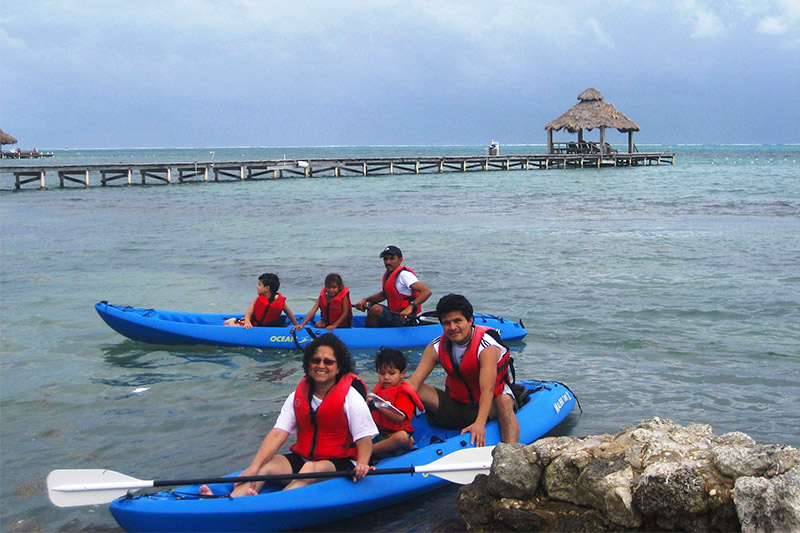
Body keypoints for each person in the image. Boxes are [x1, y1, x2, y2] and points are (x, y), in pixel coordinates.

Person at [199, 333, 378, 497]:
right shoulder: (297, 396)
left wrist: (362, 464)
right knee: (265, 466)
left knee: (309, 469)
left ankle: (269, 504)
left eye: (328, 362)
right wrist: (253, 467)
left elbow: (364, 438)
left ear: (339, 367)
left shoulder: (351, 397)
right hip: (304, 459)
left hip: (341, 462)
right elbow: (278, 433)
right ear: (308, 364)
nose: (321, 366)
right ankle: (230, 500)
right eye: (315, 360)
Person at [406, 294, 520, 447]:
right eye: (447, 323)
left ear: (470, 320)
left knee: (504, 399)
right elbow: (413, 383)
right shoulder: (437, 346)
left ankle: (511, 450)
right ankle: (397, 432)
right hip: (457, 405)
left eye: (457, 321)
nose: (452, 327)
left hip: (488, 406)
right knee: (414, 389)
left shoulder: (486, 346)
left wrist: (479, 424)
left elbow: (488, 389)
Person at [355, 245, 431, 328]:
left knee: (376, 309)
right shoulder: (389, 274)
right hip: (395, 314)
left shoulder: (404, 275)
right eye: (385, 259)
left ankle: (368, 336)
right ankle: (374, 332)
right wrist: (365, 300)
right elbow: (384, 295)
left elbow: (426, 292)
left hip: (406, 319)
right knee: (370, 305)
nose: (388, 262)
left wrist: (410, 307)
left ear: (400, 260)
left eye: (392, 258)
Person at [368, 348, 424, 457]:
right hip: (380, 434)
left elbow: (399, 417)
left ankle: (369, 451)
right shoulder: (378, 390)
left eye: (392, 373)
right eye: (382, 373)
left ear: (402, 373)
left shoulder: (403, 393)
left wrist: (379, 407)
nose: (386, 377)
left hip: (396, 436)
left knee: (401, 437)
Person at [223, 273, 298, 329]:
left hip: (267, 325)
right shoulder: (258, 299)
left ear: (266, 288)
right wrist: (248, 322)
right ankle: (231, 321)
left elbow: (288, 313)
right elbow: (248, 312)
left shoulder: (280, 300)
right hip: (253, 323)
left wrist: (296, 325)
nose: (257, 287)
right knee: (235, 327)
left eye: (259, 284)